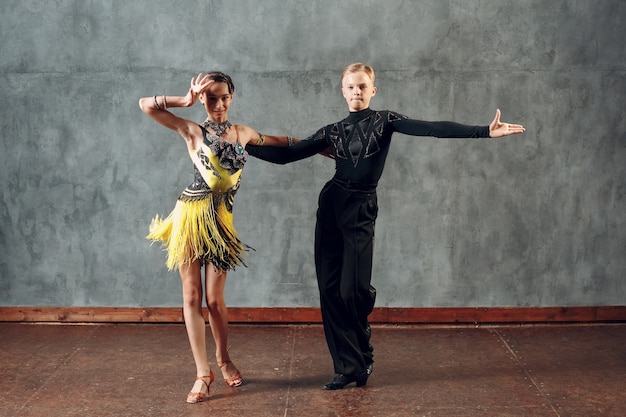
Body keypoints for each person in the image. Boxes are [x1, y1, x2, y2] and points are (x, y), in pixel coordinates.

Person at [246, 62, 525, 390]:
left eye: (362, 87)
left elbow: (431, 128)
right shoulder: (332, 130)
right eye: (350, 87)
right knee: (330, 290)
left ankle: (361, 347)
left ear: (373, 90)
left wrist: (483, 131)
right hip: (332, 207)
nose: (356, 93)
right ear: (342, 91)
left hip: (361, 208)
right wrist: (245, 146)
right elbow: (288, 155)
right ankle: (350, 367)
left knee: (354, 291)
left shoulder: (385, 120)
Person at [139, 72, 293, 403]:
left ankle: (224, 359)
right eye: (211, 99)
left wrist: (319, 145)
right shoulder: (193, 130)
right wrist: (183, 100)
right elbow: (145, 106)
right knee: (192, 296)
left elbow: (279, 143)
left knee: (215, 300)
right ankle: (202, 373)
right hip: (190, 219)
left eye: (223, 97)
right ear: (204, 101)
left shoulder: (244, 133)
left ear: (232, 97)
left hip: (221, 223)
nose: (218, 104)